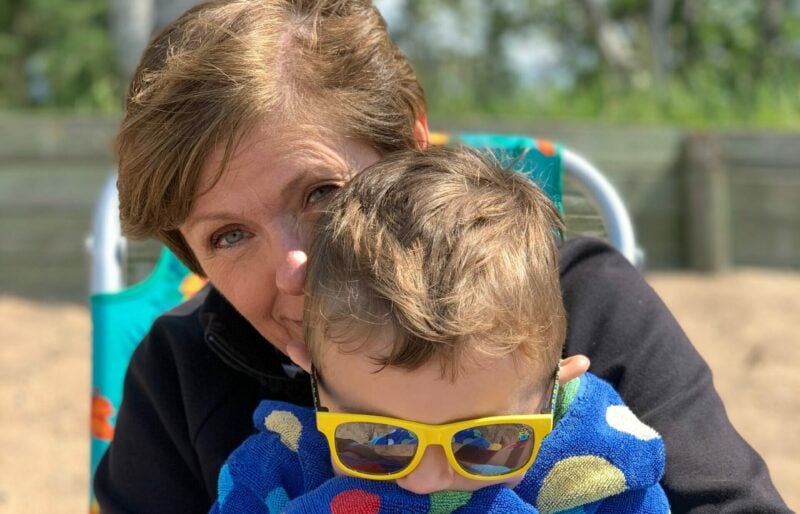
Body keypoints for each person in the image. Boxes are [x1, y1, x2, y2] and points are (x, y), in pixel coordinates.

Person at [94, 0, 790, 512]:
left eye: (322, 194)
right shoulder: (182, 370)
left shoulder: (579, 303)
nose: (295, 270)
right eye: (230, 236)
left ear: (411, 144)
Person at [210, 146, 670, 513]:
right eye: (376, 439)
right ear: (317, 383)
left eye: (485, 443)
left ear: (555, 388)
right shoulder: (277, 474)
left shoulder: (603, 475)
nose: (425, 481)